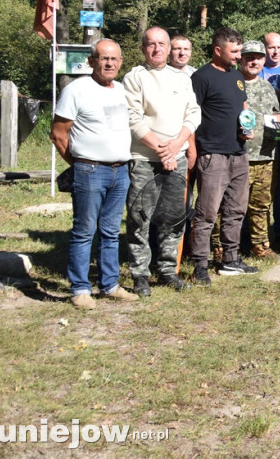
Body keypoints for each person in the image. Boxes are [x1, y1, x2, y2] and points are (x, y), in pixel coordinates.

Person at [50, 39, 139, 308]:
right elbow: (58, 134)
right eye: (103, 58)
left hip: (120, 171)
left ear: (121, 62)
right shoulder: (76, 90)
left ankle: (109, 285)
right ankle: (80, 289)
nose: (109, 63)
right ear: (91, 61)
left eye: (114, 59)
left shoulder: (122, 90)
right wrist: (78, 162)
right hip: (89, 170)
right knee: (84, 230)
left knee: (111, 232)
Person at [122, 27, 200, 295]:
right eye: (151, 44)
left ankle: (168, 269)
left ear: (169, 47)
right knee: (139, 218)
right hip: (144, 158)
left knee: (173, 217)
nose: (156, 49)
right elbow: (133, 118)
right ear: (143, 48)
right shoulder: (134, 77)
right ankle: (140, 273)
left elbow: (193, 113)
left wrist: (177, 144)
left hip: (175, 157)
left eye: (161, 44)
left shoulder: (182, 78)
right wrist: (160, 149)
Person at [189, 27, 259, 283]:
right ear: (218, 50)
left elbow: (243, 106)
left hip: (238, 154)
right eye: (235, 51)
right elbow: (190, 115)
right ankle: (199, 265)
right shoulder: (201, 77)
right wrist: (193, 151)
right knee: (207, 213)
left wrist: (247, 126)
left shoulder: (236, 77)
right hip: (213, 155)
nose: (239, 56)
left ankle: (230, 259)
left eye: (240, 50)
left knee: (236, 210)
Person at [240, 40, 280, 259]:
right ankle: (223, 247)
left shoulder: (267, 87)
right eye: (249, 57)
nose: (253, 61)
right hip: (238, 156)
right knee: (232, 205)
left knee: (261, 205)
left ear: (264, 60)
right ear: (241, 59)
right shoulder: (233, 82)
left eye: (257, 57)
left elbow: (276, 113)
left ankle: (260, 245)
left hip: (265, 156)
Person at [260, 31, 280, 244]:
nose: (276, 51)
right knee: (259, 184)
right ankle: (255, 230)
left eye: (279, 47)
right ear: (264, 48)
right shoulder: (255, 68)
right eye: (272, 47)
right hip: (260, 136)